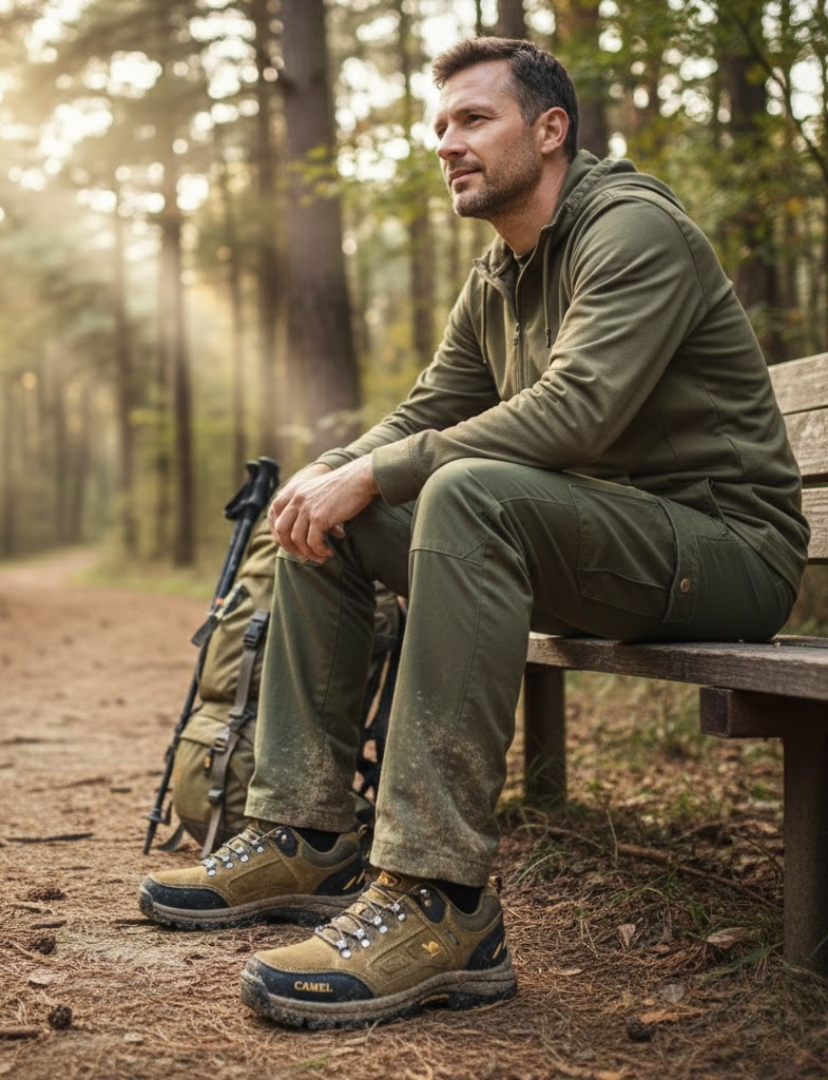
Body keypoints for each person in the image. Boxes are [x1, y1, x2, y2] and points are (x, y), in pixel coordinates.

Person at [138, 36, 809, 1030]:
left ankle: (439, 899)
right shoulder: (500, 274)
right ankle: (305, 832)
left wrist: (374, 472)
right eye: (441, 125)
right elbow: (426, 411)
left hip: (725, 552)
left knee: (461, 493)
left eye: (474, 120)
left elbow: (578, 411)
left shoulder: (632, 231)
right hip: (606, 545)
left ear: (551, 130)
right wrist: (334, 473)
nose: (447, 143)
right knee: (337, 516)